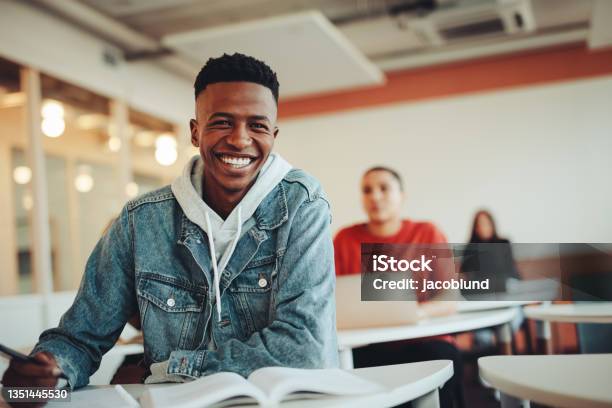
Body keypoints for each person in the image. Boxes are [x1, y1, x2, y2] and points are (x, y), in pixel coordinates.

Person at [2, 53, 338, 396]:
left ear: (274, 134)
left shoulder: (302, 204)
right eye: (222, 122)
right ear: (195, 132)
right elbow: (80, 338)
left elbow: (304, 349)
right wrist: (41, 378)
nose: (240, 139)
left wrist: (172, 368)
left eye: (258, 125)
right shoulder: (140, 221)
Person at [334, 166, 464, 408]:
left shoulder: (427, 233)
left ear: (402, 195)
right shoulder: (344, 239)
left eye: (384, 188)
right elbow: (332, 298)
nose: (375, 196)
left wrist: (415, 312)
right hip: (366, 345)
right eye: (367, 190)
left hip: (425, 341)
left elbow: (449, 298)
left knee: (440, 358)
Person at [460, 210, 520, 294]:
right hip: (482, 289)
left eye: (485, 223)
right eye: (479, 224)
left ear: (492, 224)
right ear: (475, 228)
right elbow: (465, 276)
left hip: (505, 285)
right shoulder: (470, 248)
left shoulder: (503, 243)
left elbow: (511, 269)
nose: (483, 227)